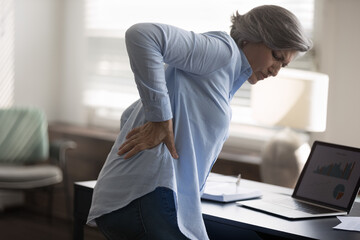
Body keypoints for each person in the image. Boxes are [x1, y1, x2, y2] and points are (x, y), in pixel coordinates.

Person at [87, 5, 311, 240]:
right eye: (277, 57)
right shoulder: (222, 52)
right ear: (250, 38)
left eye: (284, 65)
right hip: (145, 198)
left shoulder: (223, 79)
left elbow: (130, 113)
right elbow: (141, 35)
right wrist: (160, 119)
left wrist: (157, 121)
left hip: (128, 199)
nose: (276, 71)